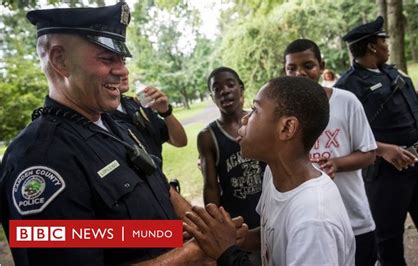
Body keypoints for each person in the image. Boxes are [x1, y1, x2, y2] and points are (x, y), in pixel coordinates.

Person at [0, 3, 246, 265]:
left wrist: (206, 230)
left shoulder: (113, 123)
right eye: (107, 59)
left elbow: (158, 190)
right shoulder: (39, 159)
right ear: (60, 60)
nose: (122, 71)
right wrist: (198, 250)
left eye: (122, 59)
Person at [335, 16, 418, 265]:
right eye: (384, 40)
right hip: (388, 174)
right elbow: (345, 132)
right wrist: (382, 150)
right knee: (389, 240)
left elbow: (394, 102)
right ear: (372, 46)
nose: (387, 45)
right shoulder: (347, 86)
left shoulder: (390, 71)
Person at [187, 76, 355, 265]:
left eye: (254, 110)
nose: (244, 118)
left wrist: (228, 253)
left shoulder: (313, 220)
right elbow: (272, 233)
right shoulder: (273, 174)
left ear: (287, 128)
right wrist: (243, 238)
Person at [283, 38, 377, 266]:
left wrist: (336, 164)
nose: (300, 73)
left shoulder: (346, 102)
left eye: (308, 65)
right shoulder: (282, 113)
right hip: (308, 224)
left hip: (354, 219)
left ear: (321, 65)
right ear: (284, 71)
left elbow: (369, 153)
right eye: (291, 68)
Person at [197, 67, 266, 263]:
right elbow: (211, 186)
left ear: (241, 88)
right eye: (217, 88)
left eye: (230, 84)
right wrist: (216, 227)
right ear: (212, 96)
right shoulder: (207, 136)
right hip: (239, 225)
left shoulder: (259, 120)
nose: (224, 91)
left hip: (271, 217)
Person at [110, 73, 187, 169]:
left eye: (123, 62)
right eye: (110, 61)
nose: (124, 71)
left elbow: (180, 142)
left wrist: (166, 112)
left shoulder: (138, 104)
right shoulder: (98, 118)